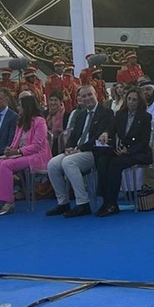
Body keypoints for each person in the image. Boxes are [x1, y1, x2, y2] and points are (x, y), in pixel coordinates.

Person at [45, 85, 114, 218]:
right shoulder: (81, 114)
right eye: (84, 96)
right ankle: (63, 202)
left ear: (96, 94)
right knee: (52, 164)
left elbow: (98, 137)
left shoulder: (106, 112)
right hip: (77, 151)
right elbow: (74, 135)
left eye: (89, 95)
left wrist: (79, 149)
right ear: (80, 99)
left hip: (94, 151)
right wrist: (69, 147)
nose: (87, 98)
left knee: (68, 163)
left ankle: (83, 203)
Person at [0, 93, 51, 215]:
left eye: (20, 106)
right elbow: (15, 142)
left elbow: (37, 146)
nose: (18, 108)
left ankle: (8, 201)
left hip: (38, 156)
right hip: (23, 155)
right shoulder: (21, 122)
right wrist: (9, 150)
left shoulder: (40, 121)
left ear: (27, 107)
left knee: (6, 165)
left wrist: (18, 151)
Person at [95, 87, 154, 216]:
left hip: (140, 152)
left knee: (116, 163)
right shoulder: (120, 115)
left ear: (140, 102)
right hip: (123, 150)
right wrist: (105, 133)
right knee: (103, 160)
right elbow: (111, 128)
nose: (131, 102)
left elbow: (144, 142)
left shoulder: (145, 117)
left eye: (135, 100)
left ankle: (111, 203)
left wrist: (129, 151)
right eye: (129, 99)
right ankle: (106, 200)